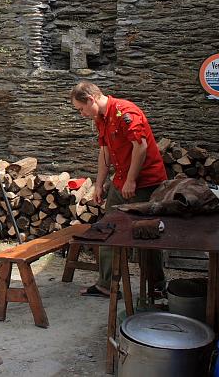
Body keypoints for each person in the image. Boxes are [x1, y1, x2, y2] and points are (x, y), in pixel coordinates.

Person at [70, 81, 168, 298]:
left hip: (145, 182)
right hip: (120, 181)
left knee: (145, 234)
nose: (81, 114)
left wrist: (132, 180)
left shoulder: (126, 112)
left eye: (81, 108)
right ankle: (106, 285)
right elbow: (104, 153)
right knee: (107, 229)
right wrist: (99, 184)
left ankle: (156, 286)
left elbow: (140, 147)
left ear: (91, 99)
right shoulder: (100, 119)